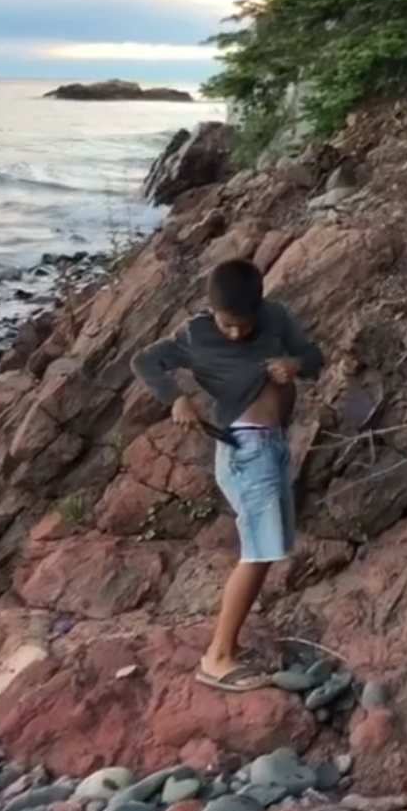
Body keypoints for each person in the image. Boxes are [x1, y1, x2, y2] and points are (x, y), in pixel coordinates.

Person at [131, 257, 324, 693]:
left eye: (243, 324)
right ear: (211, 309)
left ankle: (225, 649)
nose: (234, 332)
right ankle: (217, 656)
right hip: (244, 450)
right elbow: (145, 361)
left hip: (272, 446)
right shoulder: (196, 334)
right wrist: (176, 398)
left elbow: (314, 358)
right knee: (258, 554)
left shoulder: (276, 318)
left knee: (267, 552)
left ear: (260, 307)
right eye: (226, 324)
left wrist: (294, 365)